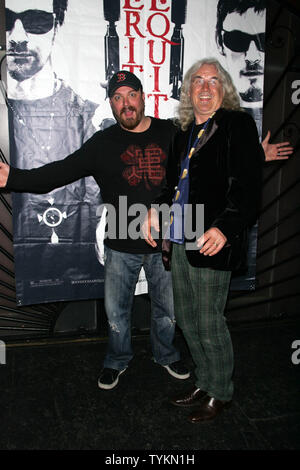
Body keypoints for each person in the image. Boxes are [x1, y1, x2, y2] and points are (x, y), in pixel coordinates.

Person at [0, 70, 190, 389]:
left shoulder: (170, 133)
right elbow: (59, 172)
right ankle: (117, 361)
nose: (125, 103)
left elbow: (201, 166)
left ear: (143, 97)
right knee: (116, 314)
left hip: (165, 244)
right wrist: (13, 178)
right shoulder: (102, 143)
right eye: (117, 98)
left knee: (167, 310)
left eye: (131, 95)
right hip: (119, 244)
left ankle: (167, 355)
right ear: (112, 105)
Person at [142, 58, 262, 422]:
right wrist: (154, 211)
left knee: (209, 320)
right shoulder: (182, 133)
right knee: (188, 319)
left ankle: (221, 392)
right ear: (189, 91)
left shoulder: (236, 125)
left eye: (214, 81)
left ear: (223, 89)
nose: (206, 87)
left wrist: (225, 228)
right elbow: (170, 187)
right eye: (198, 81)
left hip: (213, 240)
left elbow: (248, 186)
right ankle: (205, 380)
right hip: (178, 240)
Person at [4, 0, 111, 304]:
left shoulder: (90, 117)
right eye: (9, 21)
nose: (19, 36)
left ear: (58, 24)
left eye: (36, 21)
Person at [215, 0, 293, 160]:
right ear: (220, 43)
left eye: (260, 41)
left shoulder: (283, 108)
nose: (252, 58)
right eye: (238, 40)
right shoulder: (208, 119)